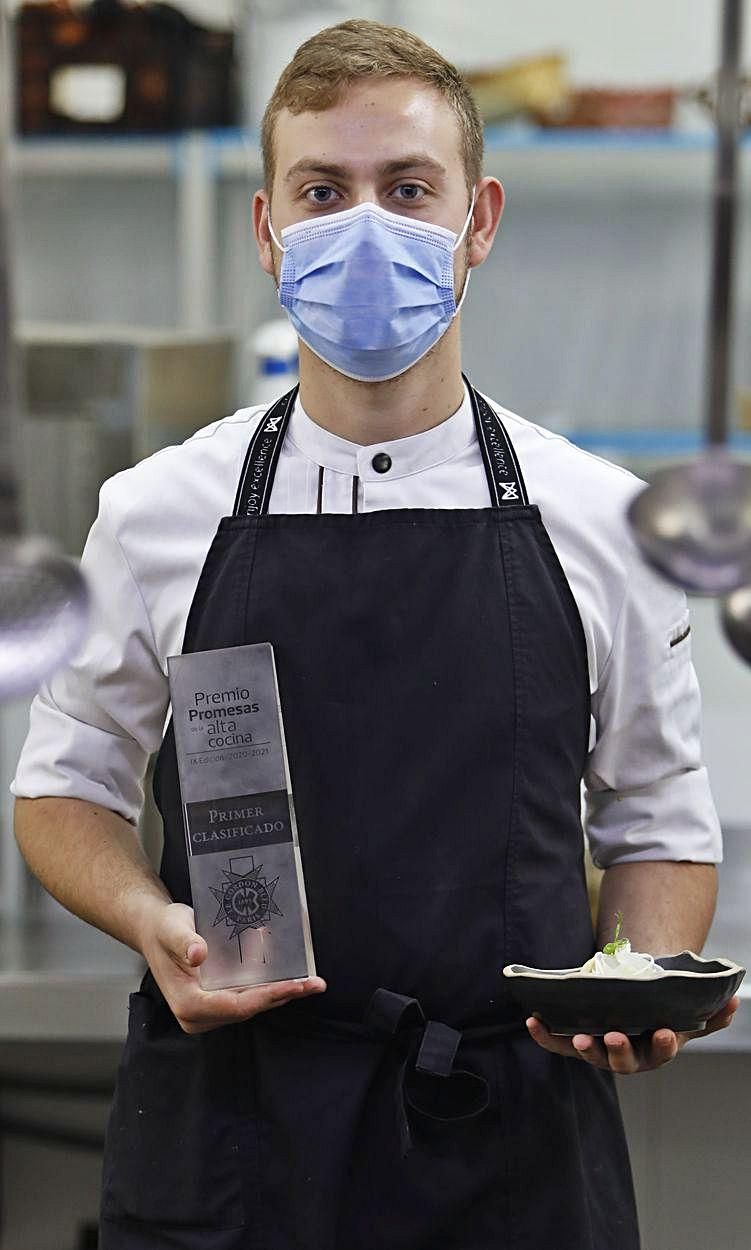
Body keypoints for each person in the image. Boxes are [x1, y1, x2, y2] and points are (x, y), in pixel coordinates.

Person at [12, 19, 737, 1250]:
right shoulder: (157, 511)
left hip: (511, 1140)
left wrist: (638, 978)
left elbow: (658, 817)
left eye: (407, 190)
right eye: (322, 190)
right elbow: (61, 786)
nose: (363, 226)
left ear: (479, 220)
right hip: (235, 1141)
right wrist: (152, 920)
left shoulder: (602, 519)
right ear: (267, 230)